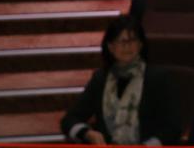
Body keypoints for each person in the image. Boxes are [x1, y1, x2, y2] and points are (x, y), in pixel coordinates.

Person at [60, 15, 183, 145]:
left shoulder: (158, 78)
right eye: (121, 41)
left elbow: (173, 128)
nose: (127, 46)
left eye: (132, 40)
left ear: (140, 45)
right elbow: (68, 120)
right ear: (110, 47)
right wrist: (88, 133)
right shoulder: (100, 78)